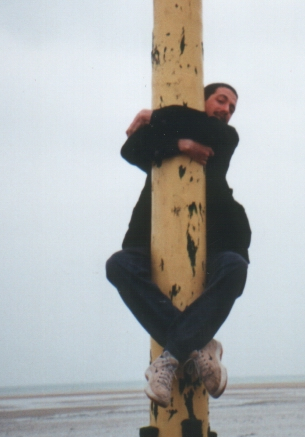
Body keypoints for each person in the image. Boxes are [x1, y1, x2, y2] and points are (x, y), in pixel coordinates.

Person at [106, 83, 251, 408]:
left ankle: (170, 359)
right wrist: (179, 145)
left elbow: (202, 128)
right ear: (200, 100)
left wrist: (154, 116)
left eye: (232, 108)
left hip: (217, 238)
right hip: (152, 232)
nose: (226, 110)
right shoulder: (173, 131)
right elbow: (131, 149)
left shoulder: (226, 136)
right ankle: (200, 348)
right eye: (221, 101)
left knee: (235, 268)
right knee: (118, 265)